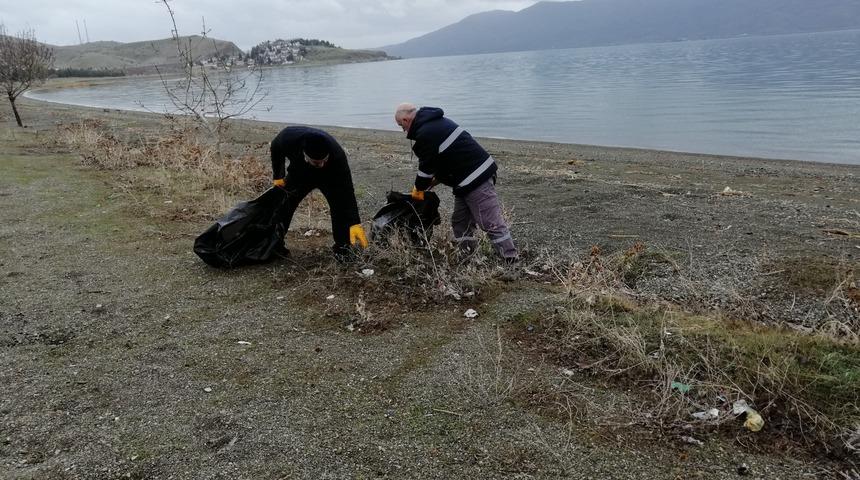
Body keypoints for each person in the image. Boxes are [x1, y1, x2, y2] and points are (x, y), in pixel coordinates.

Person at [394, 103, 518, 262]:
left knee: (490, 222)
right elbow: (446, 159)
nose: (403, 130)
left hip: (476, 178)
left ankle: (510, 259)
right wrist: (435, 180)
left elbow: (426, 168)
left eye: (401, 126)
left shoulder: (426, 132)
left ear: (405, 119)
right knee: (460, 222)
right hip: (465, 181)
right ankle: (467, 256)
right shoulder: (434, 123)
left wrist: (418, 189)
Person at [270, 126, 367, 259]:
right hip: (300, 174)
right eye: (317, 163)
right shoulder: (288, 138)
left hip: (329, 177)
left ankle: (343, 249)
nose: (321, 165)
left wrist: (354, 221)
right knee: (283, 204)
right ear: (305, 155)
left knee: (339, 208)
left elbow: (347, 192)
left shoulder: (337, 155)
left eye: (324, 161)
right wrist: (278, 176)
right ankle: (273, 245)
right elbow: (275, 147)